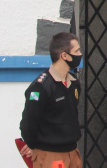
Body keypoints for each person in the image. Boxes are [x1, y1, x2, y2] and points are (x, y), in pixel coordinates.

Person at [18, 32, 83, 168]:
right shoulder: (41, 87)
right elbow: (29, 123)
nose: (80, 54)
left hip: (72, 153)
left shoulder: (73, 83)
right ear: (64, 55)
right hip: (50, 156)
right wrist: (32, 145)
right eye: (76, 51)